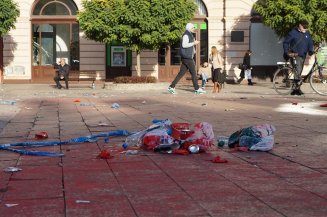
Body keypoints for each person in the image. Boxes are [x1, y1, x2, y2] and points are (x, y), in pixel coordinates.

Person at [167, 23, 205, 94]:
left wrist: (193, 48)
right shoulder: (186, 35)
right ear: (189, 28)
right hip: (188, 58)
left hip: (187, 58)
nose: (194, 29)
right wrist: (194, 43)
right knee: (193, 73)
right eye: (193, 27)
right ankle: (197, 89)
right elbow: (184, 45)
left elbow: (188, 46)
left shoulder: (189, 34)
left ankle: (171, 87)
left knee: (181, 74)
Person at [283, 19, 314, 95]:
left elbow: (310, 42)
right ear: (300, 25)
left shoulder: (307, 33)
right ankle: (296, 90)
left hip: (303, 55)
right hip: (295, 55)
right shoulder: (293, 33)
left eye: (306, 27)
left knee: (299, 72)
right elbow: (286, 42)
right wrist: (286, 52)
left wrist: (310, 50)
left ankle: (296, 88)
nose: (306, 29)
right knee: (298, 71)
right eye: (304, 27)